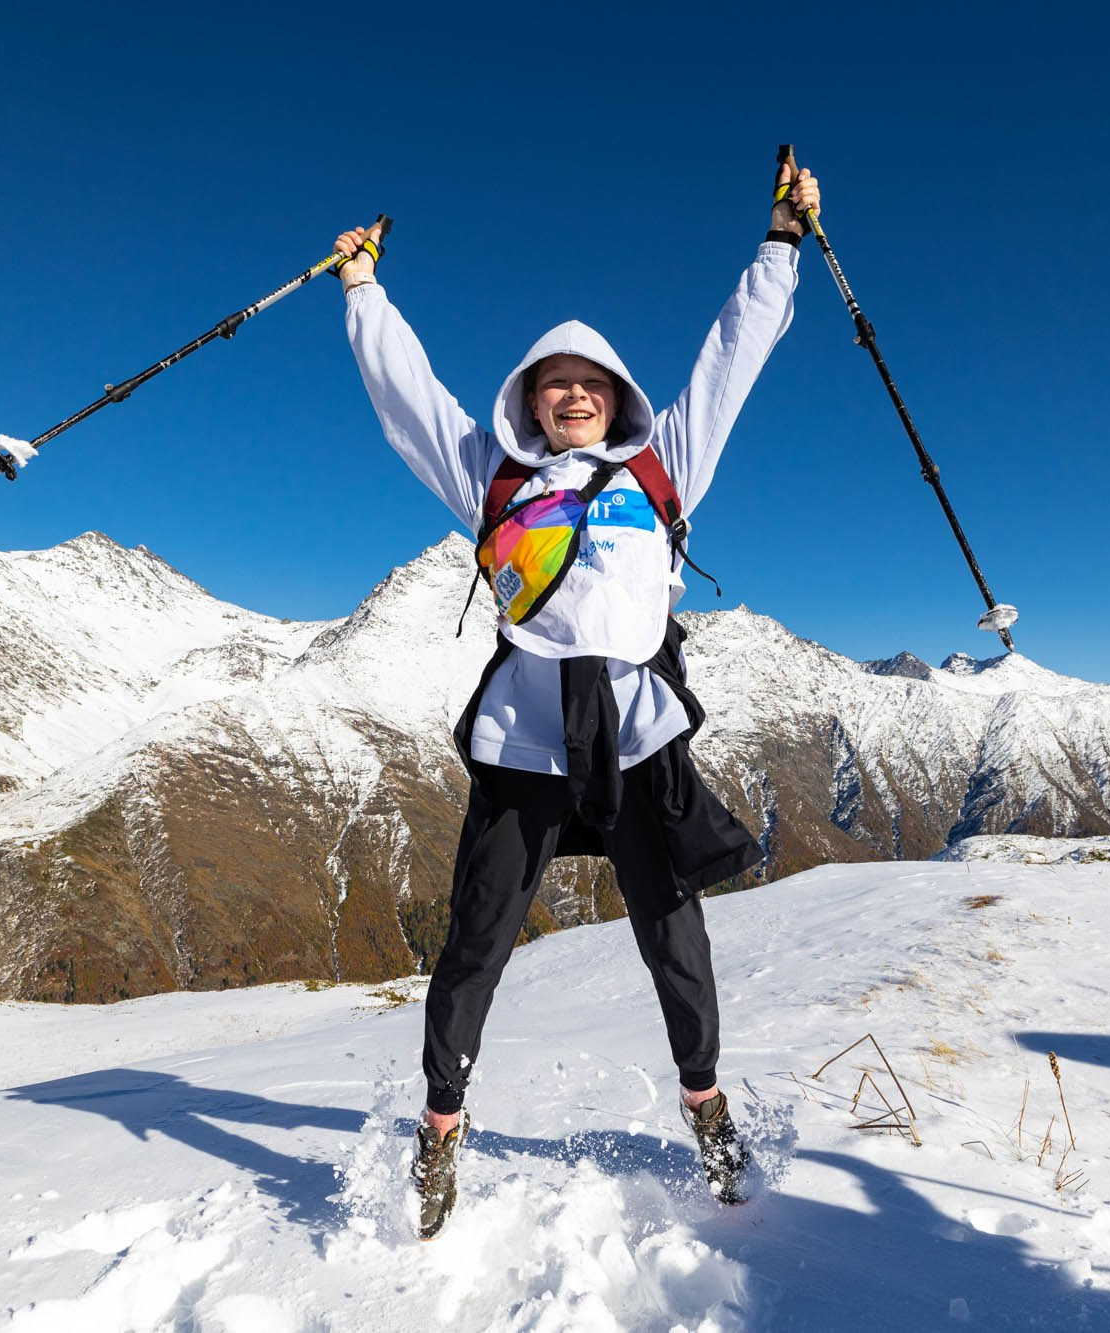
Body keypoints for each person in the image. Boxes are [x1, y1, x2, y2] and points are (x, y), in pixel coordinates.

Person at [331, 158, 821, 1238]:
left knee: (672, 934)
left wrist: (780, 242)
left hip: (636, 733)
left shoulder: (662, 470)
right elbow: (410, 399)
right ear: (528, 399)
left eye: (587, 383)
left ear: (614, 399)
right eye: (552, 383)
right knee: (476, 934)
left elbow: (729, 360)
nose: (570, 395)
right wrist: (362, 289)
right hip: (527, 733)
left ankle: (704, 1104)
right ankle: (441, 1126)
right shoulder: (492, 480)